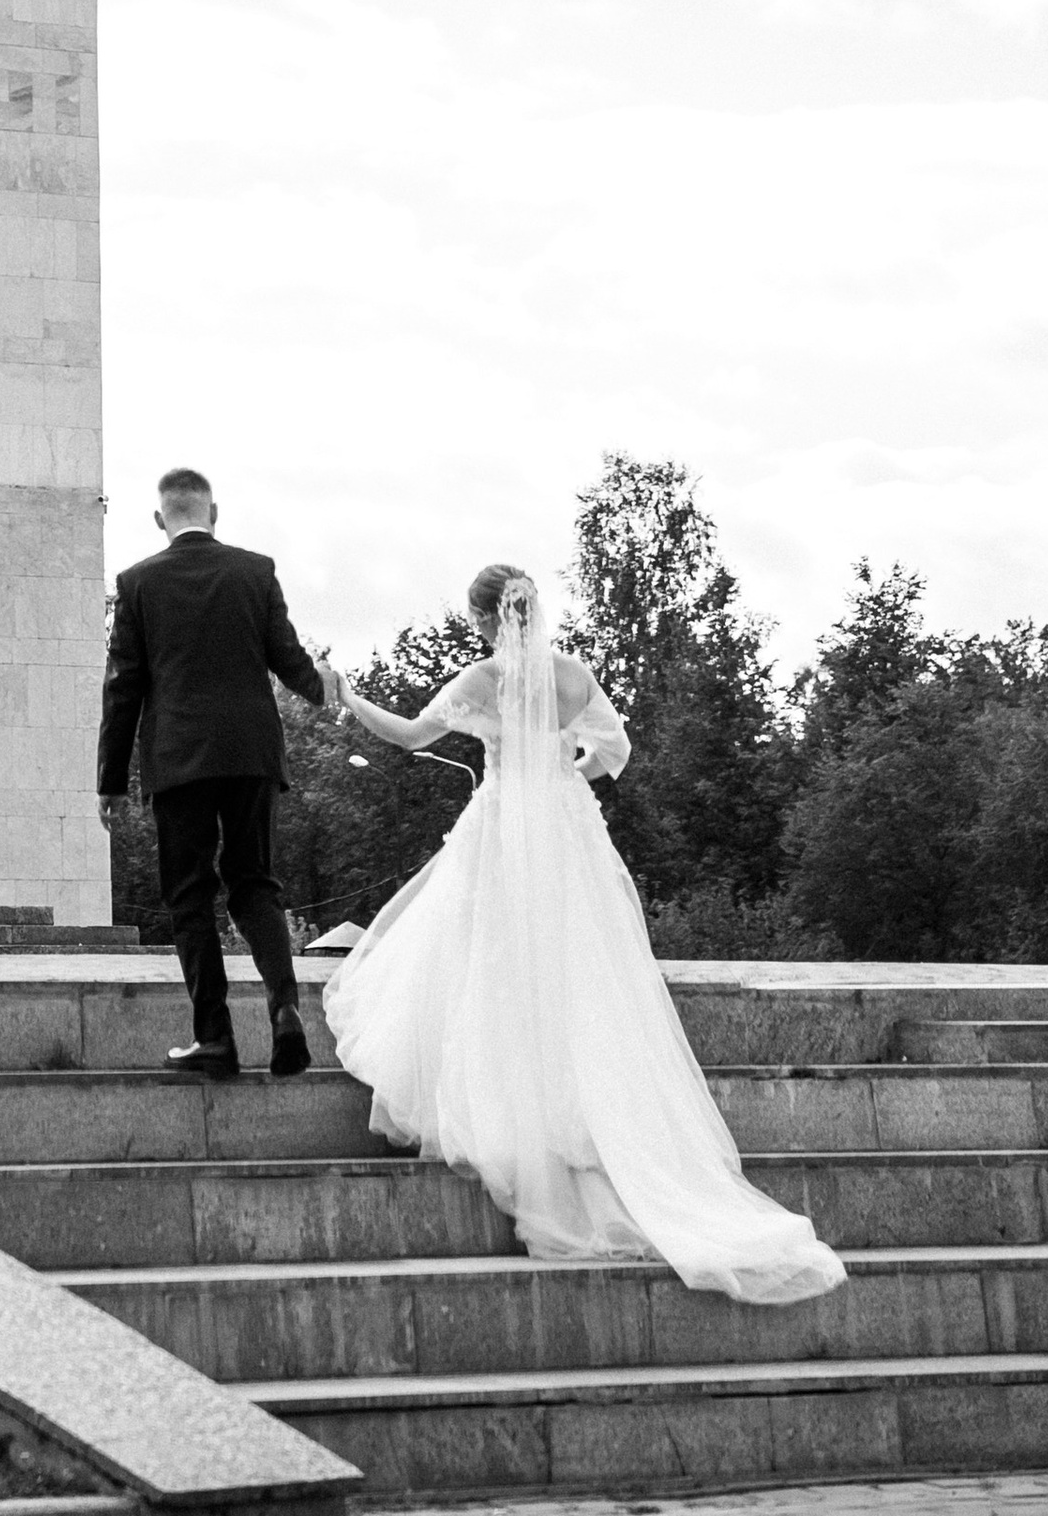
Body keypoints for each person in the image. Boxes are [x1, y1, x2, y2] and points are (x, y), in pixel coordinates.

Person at [323, 562, 845, 1304]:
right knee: (582, 972)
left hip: (504, 829)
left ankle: (513, 1114)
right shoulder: (573, 674)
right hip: (566, 830)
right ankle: (586, 1115)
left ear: (483, 618)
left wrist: (348, 693)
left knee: (491, 964)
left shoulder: (479, 677)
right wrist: (564, 772)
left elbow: (409, 735)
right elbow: (616, 751)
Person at [97, 466, 342, 1077]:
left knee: (190, 897)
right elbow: (288, 659)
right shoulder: (255, 571)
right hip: (251, 754)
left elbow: (123, 689)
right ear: (214, 511)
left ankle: (216, 1038)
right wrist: (326, 692)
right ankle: (285, 1012)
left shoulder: (138, 583)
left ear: (161, 520)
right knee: (255, 883)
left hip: (179, 760)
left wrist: (109, 780)